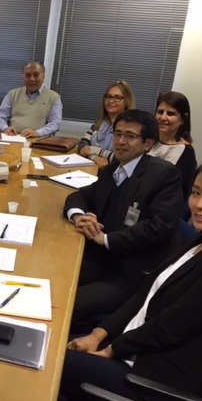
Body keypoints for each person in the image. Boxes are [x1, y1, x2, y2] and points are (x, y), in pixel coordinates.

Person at [60, 156, 202, 401]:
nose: (199, 204)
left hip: (150, 380)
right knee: (52, 342)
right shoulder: (200, 241)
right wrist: (97, 334)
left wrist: (110, 350)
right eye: (196, 193)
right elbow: (144, 296)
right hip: (132, 347)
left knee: (48, 361)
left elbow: (171, 326)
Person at [64, 109, 182, 334]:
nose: (120, 141)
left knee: (70, 302)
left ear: (148, 144)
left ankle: (93, 340)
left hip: (132, 271)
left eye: (130, 136)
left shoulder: (164, 175)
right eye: (117, 134)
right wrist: (79, 216)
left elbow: (158, 228)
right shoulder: (112, 170)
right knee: (57, 278)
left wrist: (106, 239)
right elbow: (80, 196)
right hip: (104, 258)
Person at [0, 61, 62, 138]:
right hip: (13, 137)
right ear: (24, 78)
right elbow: (0, 116)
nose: (32, 79)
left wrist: (37, 133)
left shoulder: (54, 98)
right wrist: (5, 128)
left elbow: (55, 123)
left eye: (36, 75)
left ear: (43, 78)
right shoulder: (12, 94)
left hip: (38, 139)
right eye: (28, 75)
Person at [148, 91, 197, 200]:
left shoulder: (186, 152)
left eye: (170, 114)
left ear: (183, 119)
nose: (163, 117)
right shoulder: (147, 142)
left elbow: (178, 193)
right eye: (160, 112)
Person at [77, 80, 135, 169]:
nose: (111, 101)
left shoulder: (130, 128)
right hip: (92, 168)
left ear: (126, 101)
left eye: (117, 97)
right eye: (108, 96)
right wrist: (93, 156)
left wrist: (94, 150)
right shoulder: (99, 123)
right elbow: (82, 144)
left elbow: (122, 158)